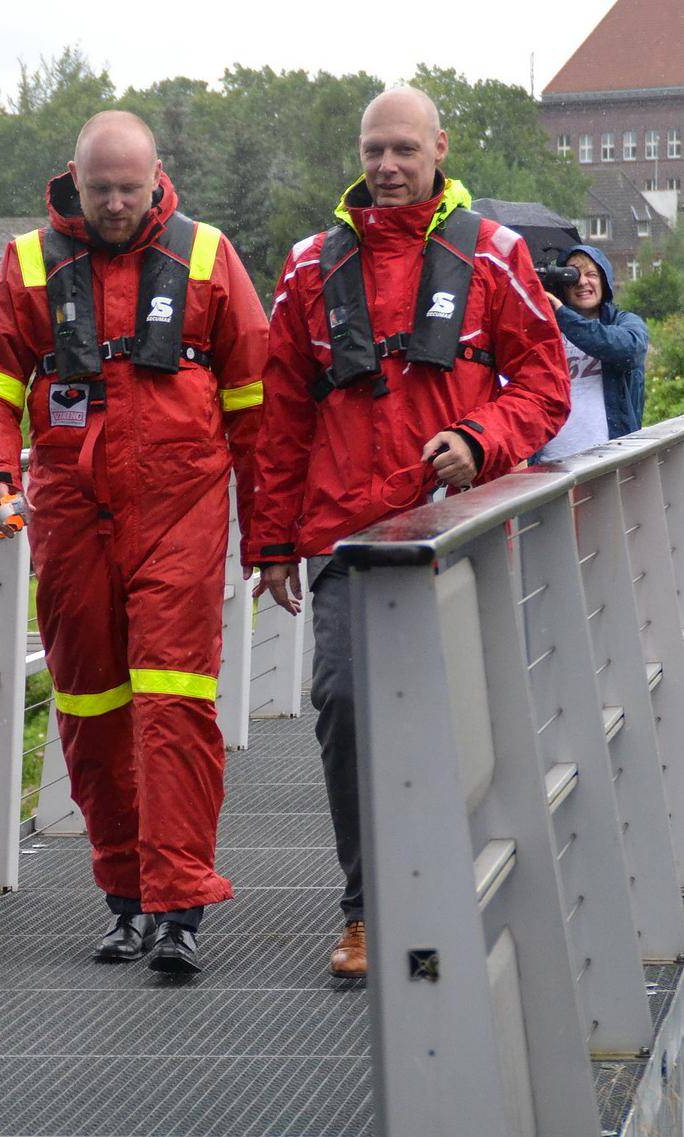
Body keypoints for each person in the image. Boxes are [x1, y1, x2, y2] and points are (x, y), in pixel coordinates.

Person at [247, 86, 571, 978]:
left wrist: (480, 438)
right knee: (345, 705)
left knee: (465, 719)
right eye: (373, 150)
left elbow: (545, 384)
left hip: (460, 529)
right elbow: (280, 415)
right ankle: (367, 909)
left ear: (439, 148)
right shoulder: (308, 267)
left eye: (404, 149)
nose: (387, 166)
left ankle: (468, 893)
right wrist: (270, 542)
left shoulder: (494, 253)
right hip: (347, 536)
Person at [0, 110, 268, 975]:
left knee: (174, 704)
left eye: (130, 188)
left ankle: (178, 906)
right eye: (101, 190)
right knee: (91, 709)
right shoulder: (28, 263)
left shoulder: (208, 256)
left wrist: (269, 534)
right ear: (74, 180)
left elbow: (255, 400)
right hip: (70, 514)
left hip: (181, 509)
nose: (117, 204)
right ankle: (125, 898)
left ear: (157, 176)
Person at [539, 244, 648, 460]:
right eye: (572, 275)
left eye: (591, 274)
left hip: (609, 460)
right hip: (549, 464)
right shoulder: (543, 331)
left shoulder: (624, 322)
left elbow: (629, 350)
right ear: (561, 285)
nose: (582, 282)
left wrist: (563, 315)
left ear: (604, 280)